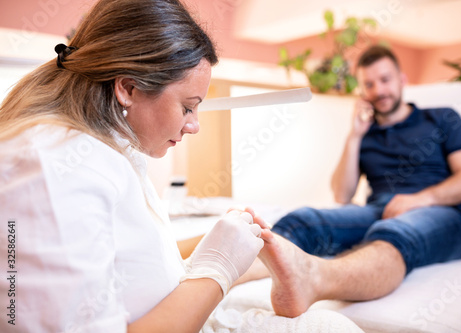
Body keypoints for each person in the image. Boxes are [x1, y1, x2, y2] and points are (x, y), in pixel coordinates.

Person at [0, 0, 274, 331]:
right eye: (188, 107)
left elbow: (126, 254)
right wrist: (218, 270)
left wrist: (221, 249)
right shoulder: (55, 165)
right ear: (128, 88)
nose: (194, 125)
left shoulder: (105, 151)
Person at [235, 45, 461, 318]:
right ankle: (217, 276)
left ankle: (312, 279)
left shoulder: (441, 117)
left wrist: (419, 199)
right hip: (378, 210)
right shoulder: (366, 133)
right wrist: (355, 136)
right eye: (369, 84)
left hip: (441, 214)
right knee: (302, 220)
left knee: (395, 233)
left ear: (402, 80)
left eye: (385, 80)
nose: (379, 90)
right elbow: (342, 195)